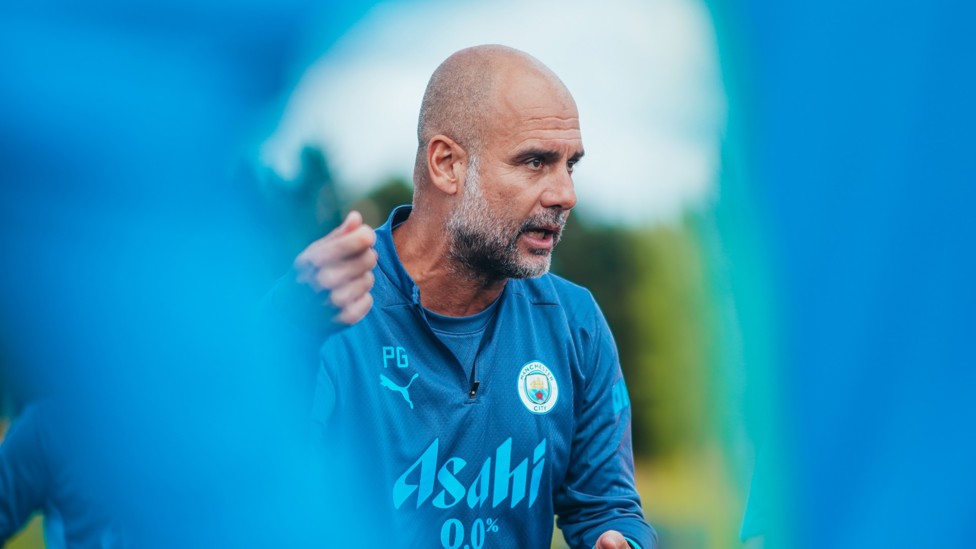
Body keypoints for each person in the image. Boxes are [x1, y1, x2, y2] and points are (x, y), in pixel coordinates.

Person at [274, 44, 656, 549]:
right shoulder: (322, 309)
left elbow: (606, 505)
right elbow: (231, 479)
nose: (565, 194)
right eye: (536, 162)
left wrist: (619, 539)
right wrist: (283, 335)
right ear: (447, 164)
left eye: (570, 165)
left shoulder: (574, 322)